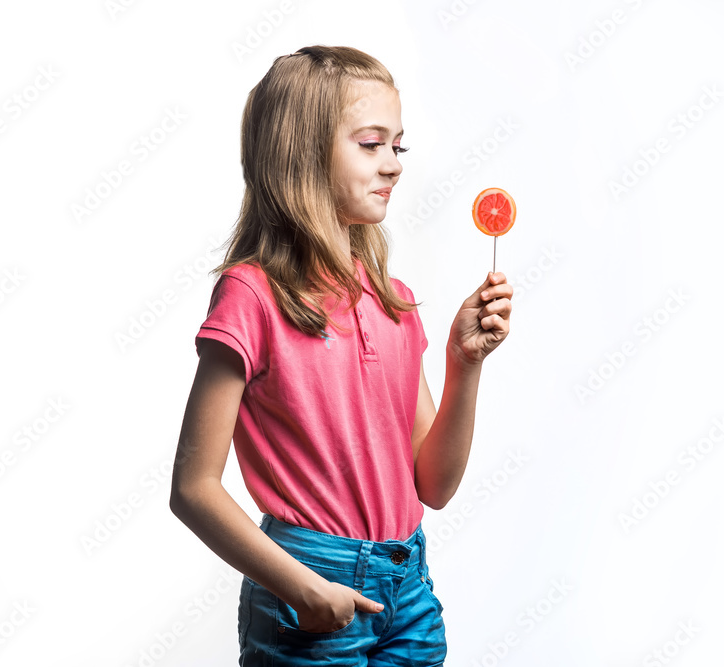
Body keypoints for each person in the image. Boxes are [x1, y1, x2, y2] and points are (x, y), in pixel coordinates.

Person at [169, 44, 513, 666]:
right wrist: (302, 587)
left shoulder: (394, 302)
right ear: (302, 154)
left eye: (398, 147)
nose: (394, 165)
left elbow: (433, 485)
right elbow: (193, 488)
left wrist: (465, 365)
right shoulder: (252, 295)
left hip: (408, 588)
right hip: (309, 579)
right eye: (370, 143)